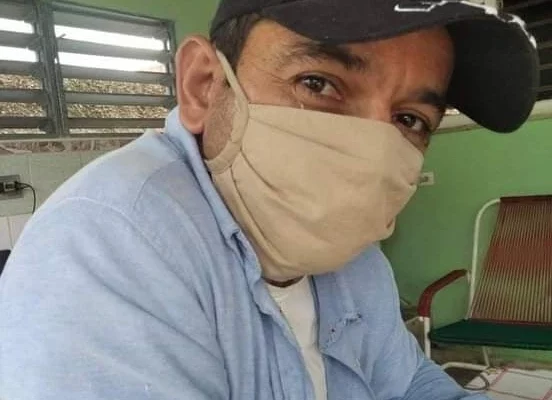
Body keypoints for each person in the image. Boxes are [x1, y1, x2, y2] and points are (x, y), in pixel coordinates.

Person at [0, 0, 538, 399]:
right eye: (318, 84)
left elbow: (405, 383)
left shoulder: (354, 259)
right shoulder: (107, 245)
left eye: (409, 119)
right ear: (204, 86)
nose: (371, 149)